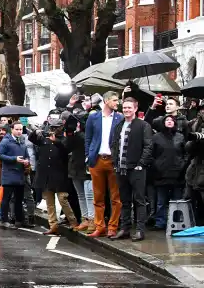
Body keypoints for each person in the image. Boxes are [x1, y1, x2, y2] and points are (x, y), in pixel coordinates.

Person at [110, 97, 153, 241]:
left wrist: (141, 163)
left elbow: (148, 146)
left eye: (129, 107)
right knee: (124, 200)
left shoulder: (143, 125)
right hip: (121, 168)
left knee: (139, 200)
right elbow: (114, 144)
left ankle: (140, 230)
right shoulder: (119, 125)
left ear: (135, 109)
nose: (127, 110)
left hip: (137, 169)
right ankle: (125, 229)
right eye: (125, 108)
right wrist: (114, 162)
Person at [84, 91, 124, 238]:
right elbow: (88, 138)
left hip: (113, 160)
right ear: (106, 101)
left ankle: (113, 226)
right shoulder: (93, 117)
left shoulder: (120, 118)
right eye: (114, 100)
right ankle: (100, 226)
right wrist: (88, 156)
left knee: (116, 197)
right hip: (97, 159)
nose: (117, 103)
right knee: (98, 196)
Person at [29, 125, 78, 235]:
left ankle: (73, 221)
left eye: (57, 127)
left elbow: (66, 150)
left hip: (60, 174)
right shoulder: (44, 139)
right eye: (52, 127)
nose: (54, 129)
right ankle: (53, 225)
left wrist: (56, 141)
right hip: (46, 175)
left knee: (63, 199)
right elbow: (31, 138)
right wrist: (36, 131)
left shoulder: (64, 140)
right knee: (49, 202)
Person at [152, 115, 186, 231]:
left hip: (177, 174)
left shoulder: (180, 137)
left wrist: (182, 165)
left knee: (177, 200)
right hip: (161, 174)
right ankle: (160, 222)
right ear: (163, 122)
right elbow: (152, 154)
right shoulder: (156, 137)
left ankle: (177, 222)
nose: (170, 122)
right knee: (161, 201)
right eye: (167, 120)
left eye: (172, 120)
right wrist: (156, 166)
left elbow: (185, 153)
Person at [0, 122, 29, 229]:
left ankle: (19, 220)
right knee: (6, 198)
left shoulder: (22, 141)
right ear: (12, 129)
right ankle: (4, 220)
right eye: (17, 129)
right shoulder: (5, 141)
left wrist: (26, 161)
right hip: (9, 175)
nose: (19, 132)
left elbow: (27, 155)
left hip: (19, 175)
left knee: (19, 199)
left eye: (21, 130)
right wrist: (14, 159)